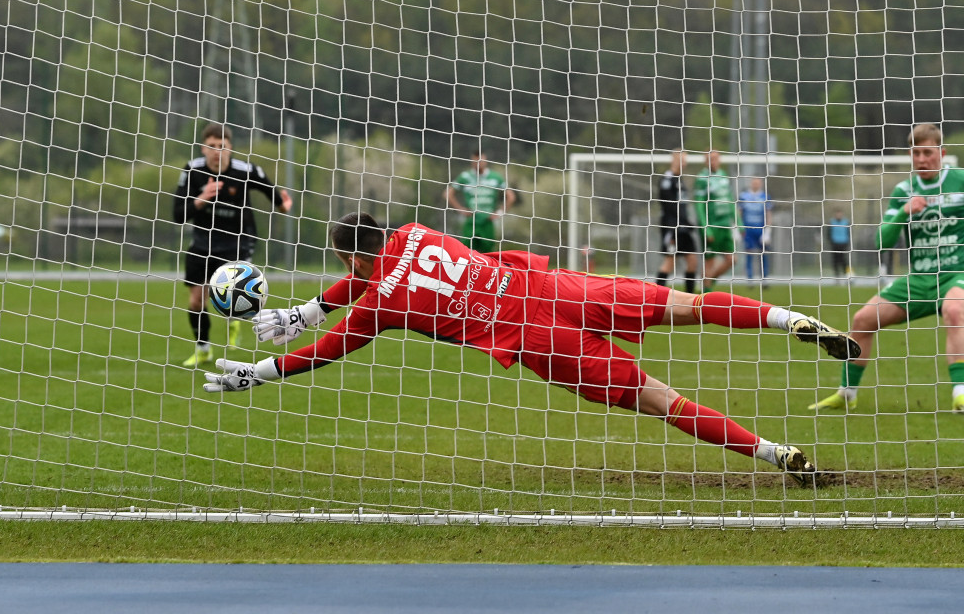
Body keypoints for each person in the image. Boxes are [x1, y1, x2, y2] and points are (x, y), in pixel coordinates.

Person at [204, 212, 862, 486]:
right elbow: (374, 271)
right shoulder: (414, 231)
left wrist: (260, 371)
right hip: (555, 286)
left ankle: (776, 454)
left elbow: (325, 351)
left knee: (661, 400)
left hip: (538, 339)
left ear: (351, 257)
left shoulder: (381, 304)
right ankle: (788, 318)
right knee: (685, 305)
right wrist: (314, 306)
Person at [810, 124, 964, 413]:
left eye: (928, 152)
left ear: (942, 153)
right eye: (916, 153)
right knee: (863, 319)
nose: (921, 159)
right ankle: (847, 393)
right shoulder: (904, 190)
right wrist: (904, 212)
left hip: (957, 274)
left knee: (955, 311)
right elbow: (882, 241)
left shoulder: (960, 181)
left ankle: (960, 394)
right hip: (919, 278)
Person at [173, 122, 293, 368]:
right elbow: (177, 214)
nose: (217, 151)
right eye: (211, 146)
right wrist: (202, 198)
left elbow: (273, 193)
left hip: (237, 241)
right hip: (202, 242)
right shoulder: (192, 170)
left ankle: (234, 321)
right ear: (203, 148)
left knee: (235, 293)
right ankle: (203, 349)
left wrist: (283, 206)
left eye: (222, 146)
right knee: (196, 301)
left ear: (230, 148)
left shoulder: (246, 170)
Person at [445, 150, 516, 253]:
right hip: (471, 220)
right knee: (466, 252)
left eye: (480, 161)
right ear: (471, 162)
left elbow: (511, 196)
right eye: (475, 161)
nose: (478, 164)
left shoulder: (495, 177)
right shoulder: (465, 177)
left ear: (485, 161)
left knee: (488, 253)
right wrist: (460, 209)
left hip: (487, 220)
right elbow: (448, 194)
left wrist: (500, 212)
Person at [655, 149, 699, 293]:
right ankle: (655, 297)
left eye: (685, 160)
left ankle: (689, 298)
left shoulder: (680, 180)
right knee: (670, 261)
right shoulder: (667, 178)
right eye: (681, 160)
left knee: (692, 260)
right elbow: (668, 204)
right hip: (672, 227)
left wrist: (686, 222)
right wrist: (685, 221)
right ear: (674, 160)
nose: (684, 163)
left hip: (683, 227)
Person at [693, 150, 737, 291]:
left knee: (732, 260)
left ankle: (707, 285)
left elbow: (730, 200)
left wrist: (739, 223)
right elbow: (699, 205)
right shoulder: (702, 178)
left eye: (716, 158)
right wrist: (706, 228)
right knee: (710, 263)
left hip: (725, 225)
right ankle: (705, 295)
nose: (713, 161)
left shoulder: (723, 175)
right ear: (705, 161)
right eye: (710, 159)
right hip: (711, 225)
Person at [738, 177, 774, 283]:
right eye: (754, 183)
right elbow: (739, 212)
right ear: (751, 183)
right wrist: (738, 228)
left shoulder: (765, 196)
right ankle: (750, 278)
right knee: (749, 253)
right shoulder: (744, 196)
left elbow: (768, 213)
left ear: (761, 184)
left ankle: (765, 278)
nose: (755, 184)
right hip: (748, 229)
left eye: (757, 183)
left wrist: (768, 231)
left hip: (761, 229)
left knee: (763, 253)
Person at [827, 208, 851, 278]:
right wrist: (831, 241)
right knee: (835, 259)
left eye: (840, 214)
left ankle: (845, 273)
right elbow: (828, 233)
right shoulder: (831, 222)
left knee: (844, 259)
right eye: (837, 214)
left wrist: (847, 242)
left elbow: (848, 232)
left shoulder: (846, 222)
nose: (838, 215)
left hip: (843, 243)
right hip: (835, 243)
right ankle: (836, 274)